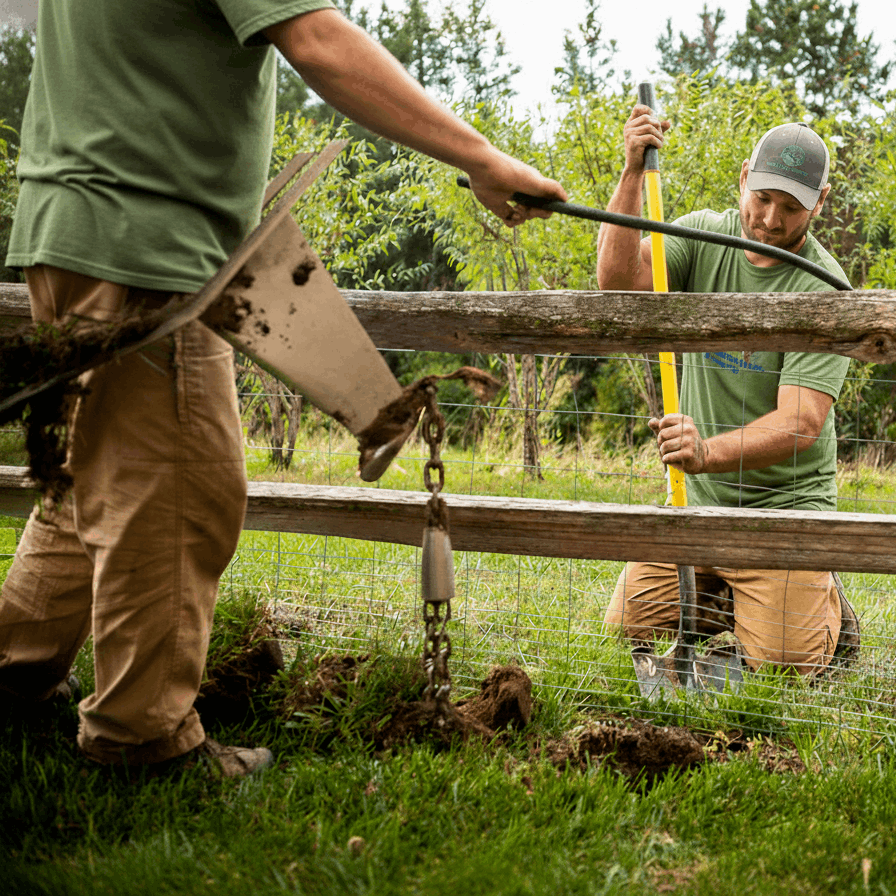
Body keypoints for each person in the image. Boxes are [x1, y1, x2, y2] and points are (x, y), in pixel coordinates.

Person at [0, 0, 567, 776]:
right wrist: (479, 156)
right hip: (148, 249)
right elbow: (317, 39)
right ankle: (143, 739)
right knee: (179, 488)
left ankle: (14, 668)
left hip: (76, 228)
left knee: (102, 477)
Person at [597, 102, 860, 677]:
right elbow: (618, 282)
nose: (769, 218)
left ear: (818, 205)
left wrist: (706, 453)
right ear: (744, 177)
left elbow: (800, 424)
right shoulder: (700, 236)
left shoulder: (825, 288)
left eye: (790, 208)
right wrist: (632, 172)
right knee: (626, 628)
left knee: (787, 664)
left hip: (785, 514)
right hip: (698, 505)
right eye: (762, 198)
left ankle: (824, 604)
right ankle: (734, 604)